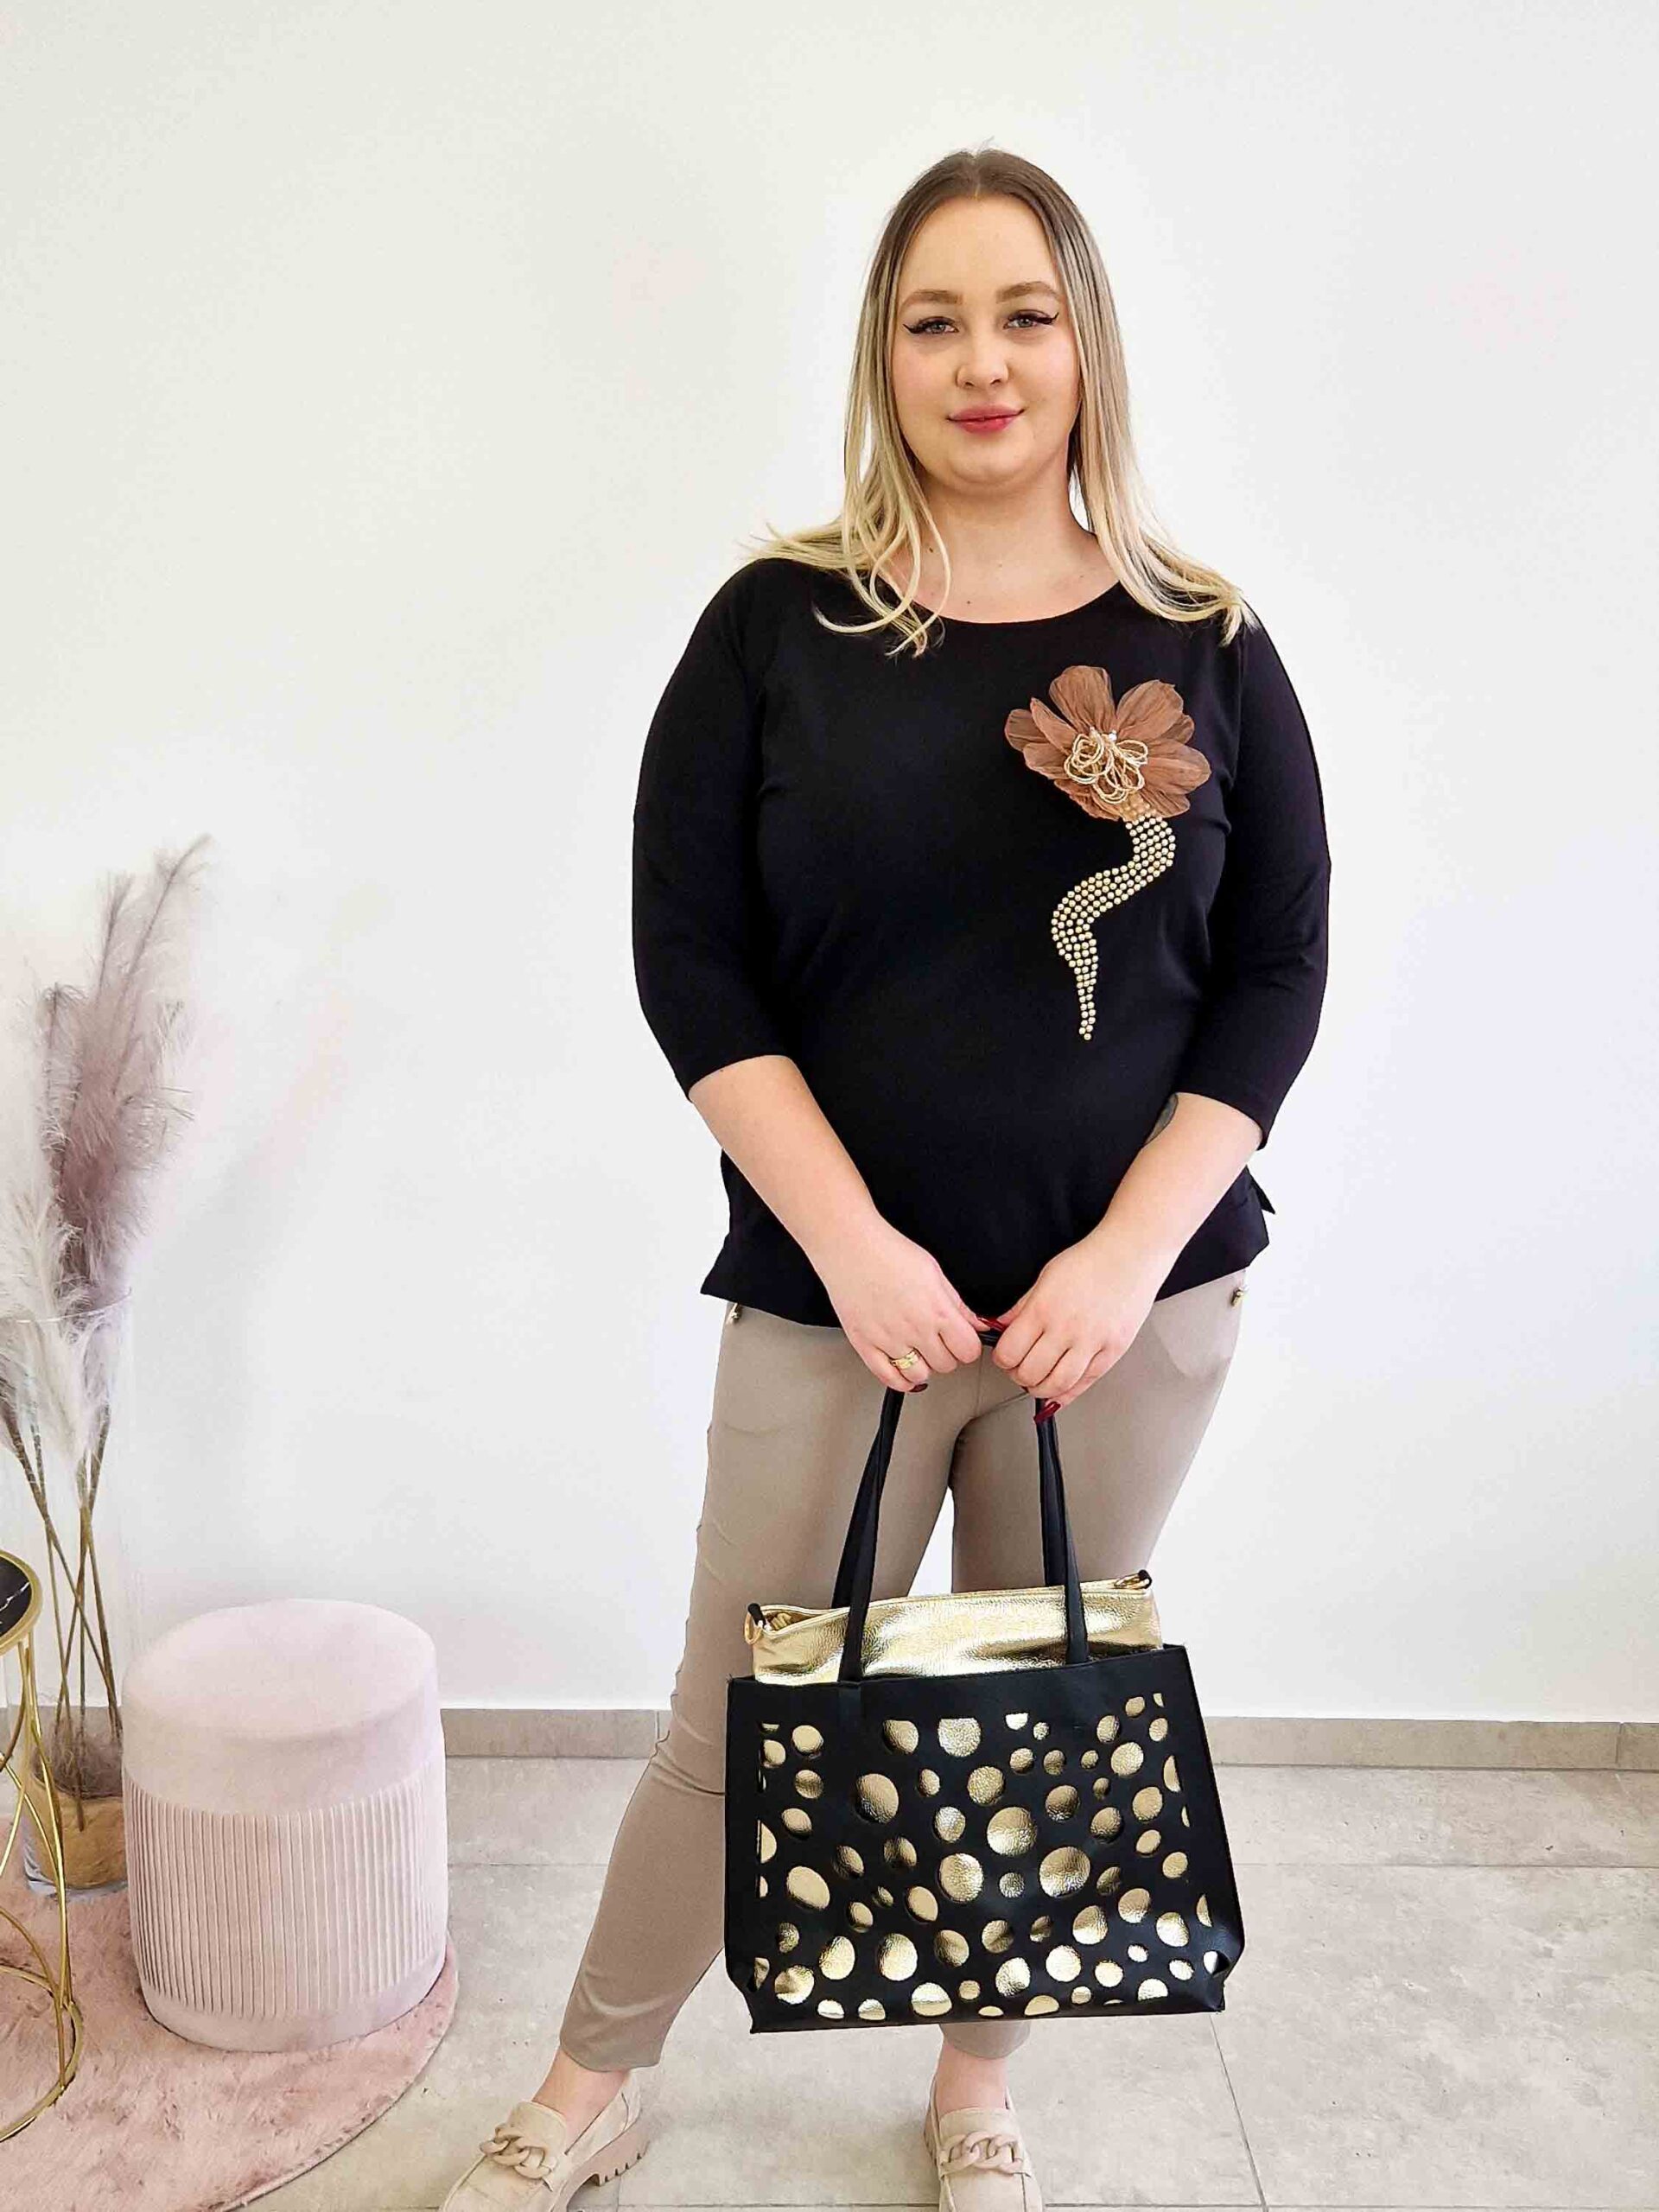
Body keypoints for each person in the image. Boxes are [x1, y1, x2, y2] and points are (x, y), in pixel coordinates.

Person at [440, 144, 1331, 2212]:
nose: (982, 362)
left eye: (1026, 315)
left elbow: (1278, 969)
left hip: (1126, 1318)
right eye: (936, 320)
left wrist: (1126, 1256)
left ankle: (973, 2087)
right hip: (832, 1297)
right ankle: (588, 2083)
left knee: (1025, 1709)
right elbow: (693, 962)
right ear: (883, 354)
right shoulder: (778, 628)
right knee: (736, 1709)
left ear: (1087, 348)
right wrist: (848, 1246)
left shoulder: (1208, 642)